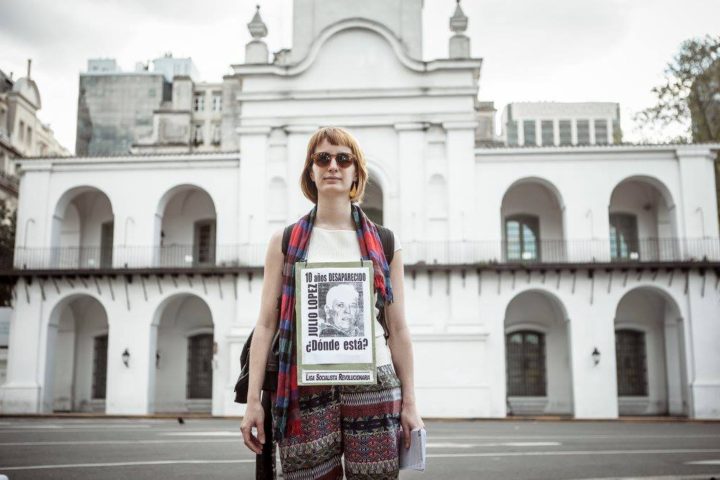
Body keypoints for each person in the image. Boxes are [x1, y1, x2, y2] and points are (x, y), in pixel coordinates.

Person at [240, 126, 424, 479]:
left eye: (343, 158)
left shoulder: (384, 242)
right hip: (305, 386)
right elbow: (266, 324)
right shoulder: (286, 240)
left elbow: (398, 329)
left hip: (374, 384)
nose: (333, 166)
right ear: (311, 170)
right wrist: (252, 403)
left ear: (357, 172)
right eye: (322, 158)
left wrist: (411, 404)